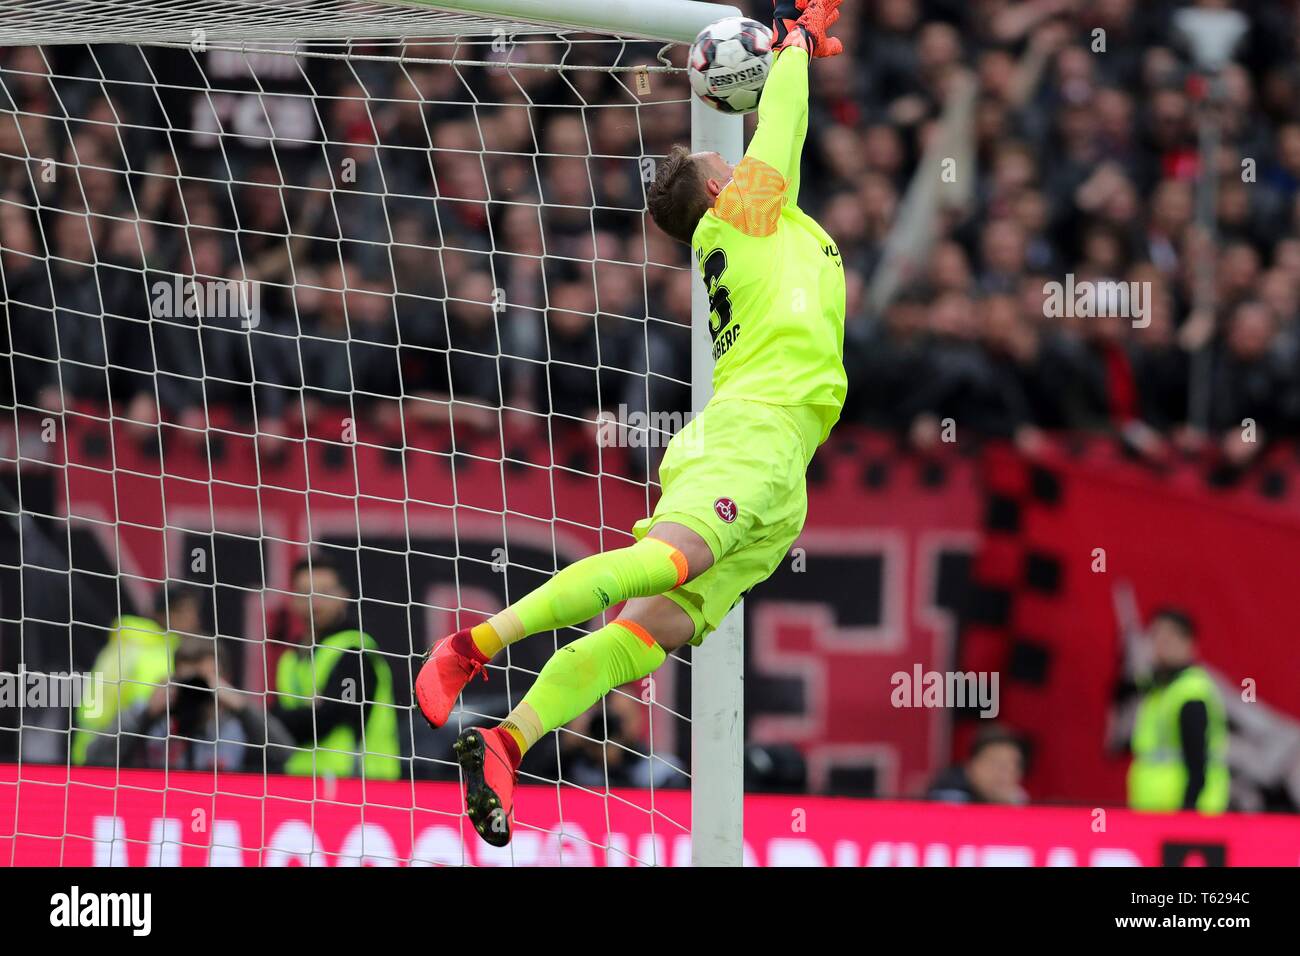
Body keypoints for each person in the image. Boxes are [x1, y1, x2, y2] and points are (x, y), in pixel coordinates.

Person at [414, 0, 848, 847]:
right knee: (664, 558)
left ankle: (509, 741)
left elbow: (783, 136)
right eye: (727, 158)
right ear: (721, 188)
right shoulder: (744, 214)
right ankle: (473, 644)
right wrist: (795, 42)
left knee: (643, 639)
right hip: (753, 434)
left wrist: (797, 52)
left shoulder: (760, 221)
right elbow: (786, 116)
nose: (740, 157)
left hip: (781, 467)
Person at [271, 555, 402, 780]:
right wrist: (307, 712)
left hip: (362, 784)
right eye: (305, 593)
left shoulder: (355, 650)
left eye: (325, 592)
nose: (315, 602)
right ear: (292, 599)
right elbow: (277, 723)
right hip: (300, 780)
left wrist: (292, 716)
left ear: (344, 596)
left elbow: (326, 720)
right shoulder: (290, 659)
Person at [85, 634, 293, 772]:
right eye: (188, 681)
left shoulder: (237, 725)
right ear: (174, 677)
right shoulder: (153, 718)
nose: (196, 690)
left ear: (224, 679)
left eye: (203, 681)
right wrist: (146, 714)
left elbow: (284, 755)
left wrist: (244, 709)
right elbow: (94, 759)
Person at [71, 582, 203, 764]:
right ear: (167, 614)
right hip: (117, 761)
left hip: (110, 757)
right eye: (188, 612)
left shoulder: (131, 645)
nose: (195, 620)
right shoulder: (142, 653)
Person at [1125, 608, 1229, 813]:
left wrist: (1188, 808)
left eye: (1169, 637)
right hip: (1152, 811)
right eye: (1155, 635)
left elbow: (1197, 761)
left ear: (1189, 644)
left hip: (1185, 814)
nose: (1161, 645)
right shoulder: (1158, 690)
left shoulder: (1191, 692)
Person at [927, 726, 1029, 805]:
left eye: (1012, 765)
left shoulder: (1017, 800)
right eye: (995, 763)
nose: (1003, 773)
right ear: (972, 765)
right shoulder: (948, 795)